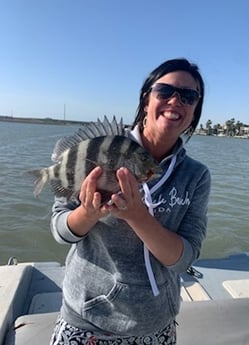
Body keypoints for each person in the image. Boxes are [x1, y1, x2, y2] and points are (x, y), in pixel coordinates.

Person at [49, 58, 211, 345]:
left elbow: (185, 258)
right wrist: (87, 214)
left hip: (157, 324)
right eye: (164, 91)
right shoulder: (103, 144)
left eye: (189, 96)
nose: (176, 101)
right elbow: (59, 231)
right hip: (87, 322)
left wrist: (137, 216)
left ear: (195, 109)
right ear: (146, 98)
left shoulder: (196, 175)